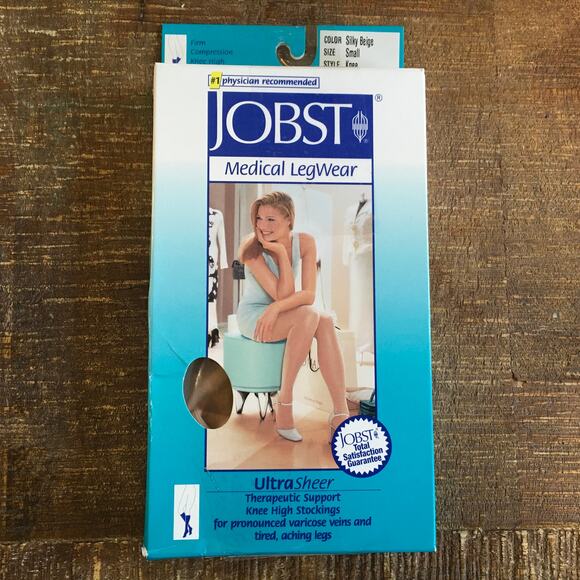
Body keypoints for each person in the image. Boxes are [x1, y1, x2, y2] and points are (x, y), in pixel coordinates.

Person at [236, 191, 350, 442]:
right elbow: (284, 294)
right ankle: (285, 400)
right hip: (255, 315)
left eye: (271, 220)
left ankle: (340, 412)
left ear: (289, 219)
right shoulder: (251, 247)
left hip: (280, 311)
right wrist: (279, 252)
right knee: (309, 315)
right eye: (259, 219)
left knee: (325, 320)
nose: (263, 226)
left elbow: (308, 294)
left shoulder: (306, 242)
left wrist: (276, 308)